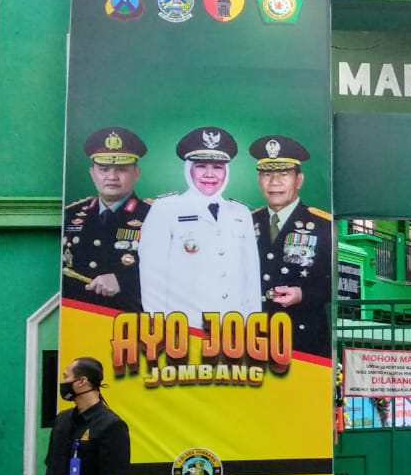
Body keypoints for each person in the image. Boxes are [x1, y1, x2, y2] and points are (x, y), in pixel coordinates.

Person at [137, 126, 261, 330]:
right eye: (201, 166)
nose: (210, 175)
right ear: (189, 169)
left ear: (227, 171)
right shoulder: (166, 208)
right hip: (186, 327)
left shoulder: (240, 212)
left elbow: (251, 276)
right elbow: (151, 277)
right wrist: (160, 327)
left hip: (234, 328)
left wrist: (253, 324)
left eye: (218, 167)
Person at [248, 135, 334, 359]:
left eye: (283, 175)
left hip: (303, 341)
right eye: (267, 174)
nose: (274, 182)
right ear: (259, 180)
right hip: (254, 338)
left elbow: (339, 282)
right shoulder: (245, 223)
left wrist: (302, 293)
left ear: (299, 180)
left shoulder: (324, 225)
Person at [62, 127, 151, 312]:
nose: (112, 177)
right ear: (92, 173)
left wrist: (123, 281)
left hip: (131, 321)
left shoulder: (154, 216)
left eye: (122, 169)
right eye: (103, 169)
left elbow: (173, 272)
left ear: (137, 173)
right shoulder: (71, 215)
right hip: (75, 319)